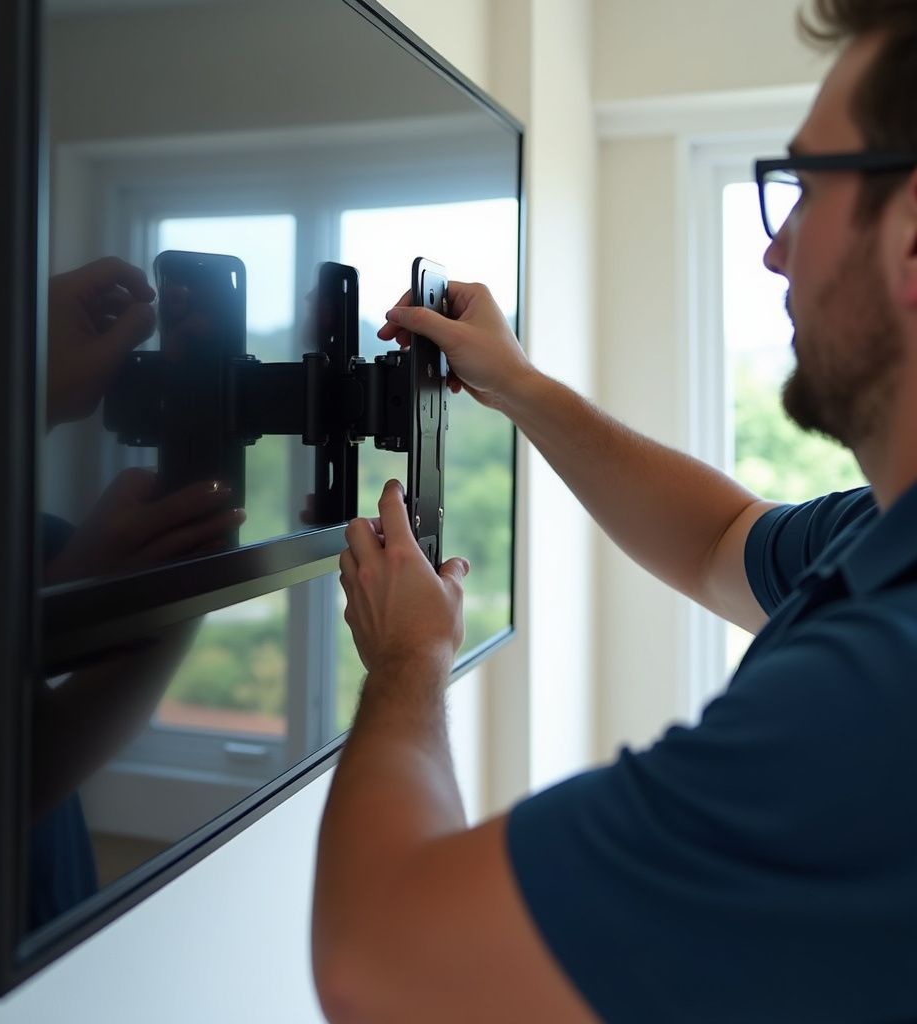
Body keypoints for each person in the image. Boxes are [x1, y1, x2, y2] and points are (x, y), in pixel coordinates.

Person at [311, 2, 917, 1021]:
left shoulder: (879, 695)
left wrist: (411, 665)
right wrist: (518, 385)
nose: (775, 254)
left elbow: (381, 965)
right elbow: (720, 537)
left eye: (803, 189)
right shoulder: (875, 539)